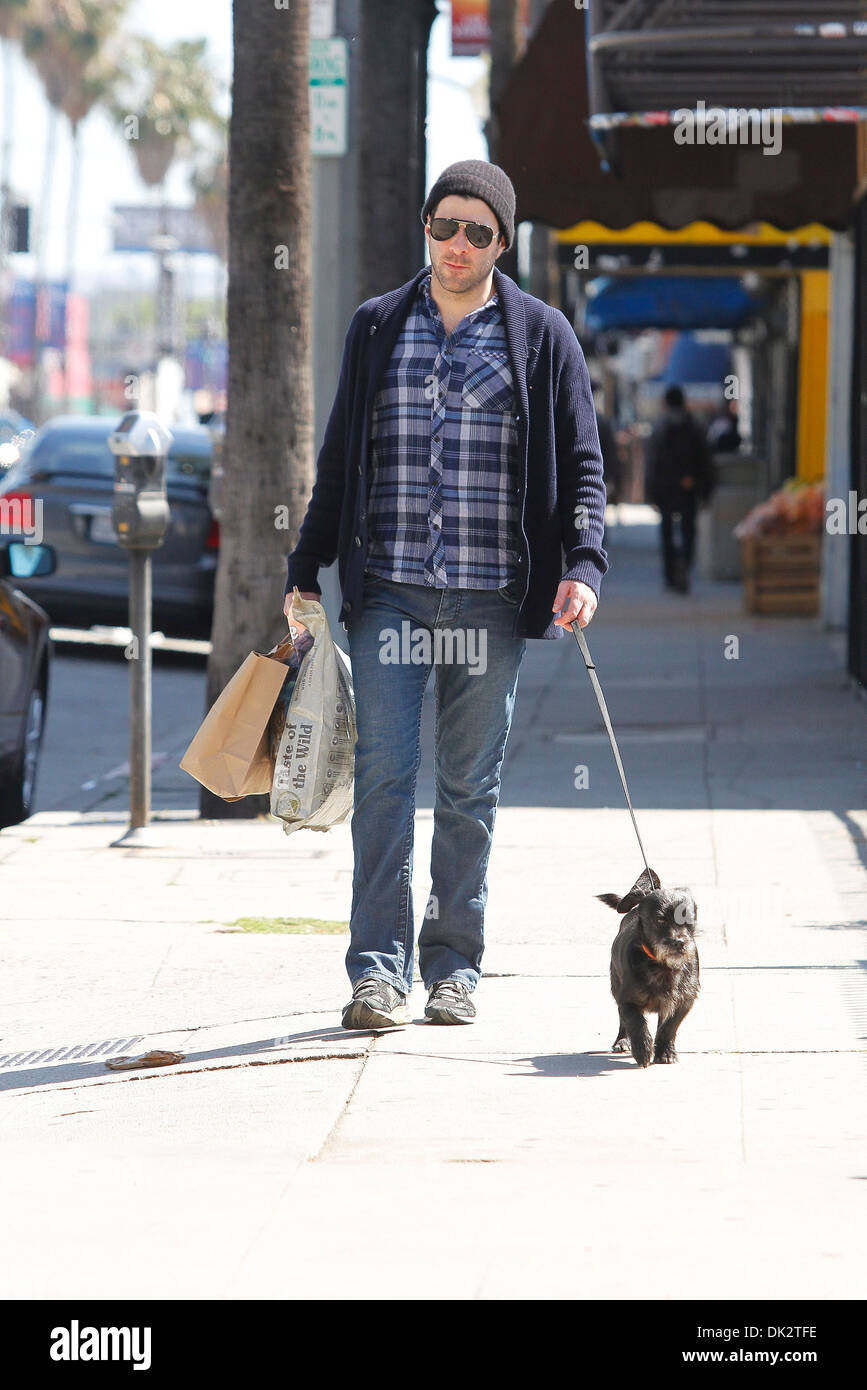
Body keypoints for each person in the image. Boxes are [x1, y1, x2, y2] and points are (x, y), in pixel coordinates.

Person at [283, 159, 608, 1030]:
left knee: (468, 786)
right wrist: (301, 568)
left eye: (477, 231)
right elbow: (340, 460)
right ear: (424, 227)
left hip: (490, 599)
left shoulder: (541, 336)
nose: (457, 243)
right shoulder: (377, 326)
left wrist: (582, 566)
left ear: (502, 243)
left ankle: (454, 965)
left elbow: (582, 463)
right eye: (443, 224)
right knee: (385, 778)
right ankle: (377, 972)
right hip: (390, 593)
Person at [645, 384, 715, 593]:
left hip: (665, 488)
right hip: (688, 487)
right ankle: (685, 562)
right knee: (688, 530)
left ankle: (669, 575)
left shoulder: (660, 426)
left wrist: (651, 492)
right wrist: (704, 488)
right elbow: (706, 460)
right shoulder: (695, 425)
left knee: (666, 532)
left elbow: (652, 461)